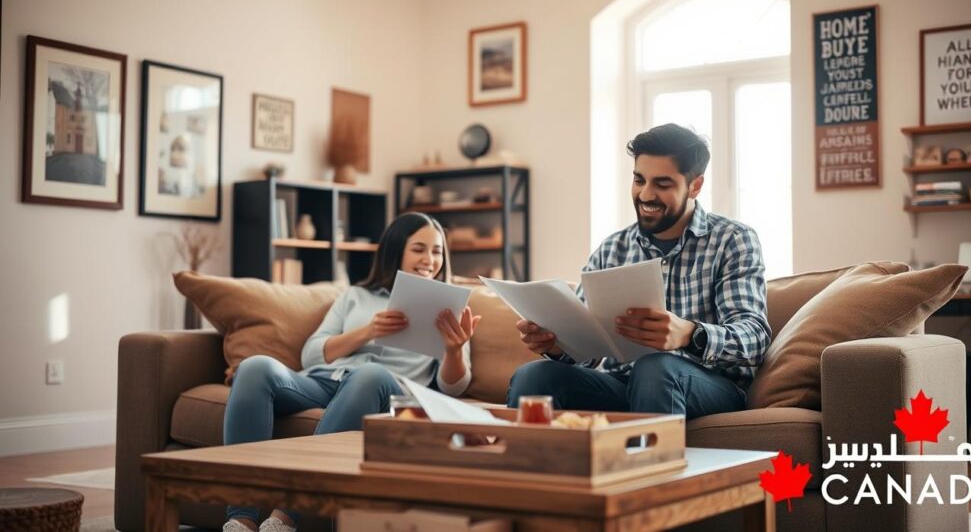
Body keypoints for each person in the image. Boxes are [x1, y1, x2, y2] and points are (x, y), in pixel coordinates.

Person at [222, 213, 480, 532]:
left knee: (369, 375)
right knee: (254, 367)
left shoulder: (449, 307)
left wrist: (453, 350)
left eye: (437, 251)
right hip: (325, 381)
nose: (429, 259)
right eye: (419, 249)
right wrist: (366, 331)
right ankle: (240, 518)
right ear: (396, 249)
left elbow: (453, 388)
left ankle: (286, 516)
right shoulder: (356, 296)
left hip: (384, 389)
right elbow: (312, 352)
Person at [507, 123, 770, 419]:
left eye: (662, 184)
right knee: (534, 378)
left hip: (705, 385)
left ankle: (652, 465)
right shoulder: (613, 248)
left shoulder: (732, 240)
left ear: (694, 185)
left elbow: (755, 338)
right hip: (623, 383)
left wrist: (689, 334)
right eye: (639, 180)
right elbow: (588, 352)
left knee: (655, 367)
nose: (645, 195)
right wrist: (556, 345)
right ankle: (525, 464)